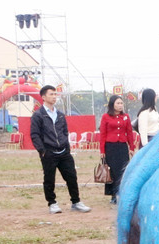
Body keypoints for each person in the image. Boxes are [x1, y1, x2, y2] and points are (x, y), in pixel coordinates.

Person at [29, 85, 91, 214]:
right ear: (43, 97)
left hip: (63, 151)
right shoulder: (38, 115)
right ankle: (52, 203)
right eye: (51, 94)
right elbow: (35, 134)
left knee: (71, 176)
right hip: (48, 152)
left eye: (55, 94)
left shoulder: (60, 115)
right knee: (49, 179)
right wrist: (42, 150)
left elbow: (64, 132)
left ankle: (76, 202)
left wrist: (66, 147)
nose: (54, 97)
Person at [99, 95, 136, 205]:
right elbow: (102, 134)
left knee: (123, 170)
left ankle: (122, 193)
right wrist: (102, 151)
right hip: (110, 146)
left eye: (121, 103)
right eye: (118, 103)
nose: (120, 105)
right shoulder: (106, 117)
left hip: (122, 146)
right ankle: (113, 194)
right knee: (113, 172)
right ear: (112, 104)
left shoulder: (126, 117)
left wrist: (131, 147)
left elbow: (129, 132)